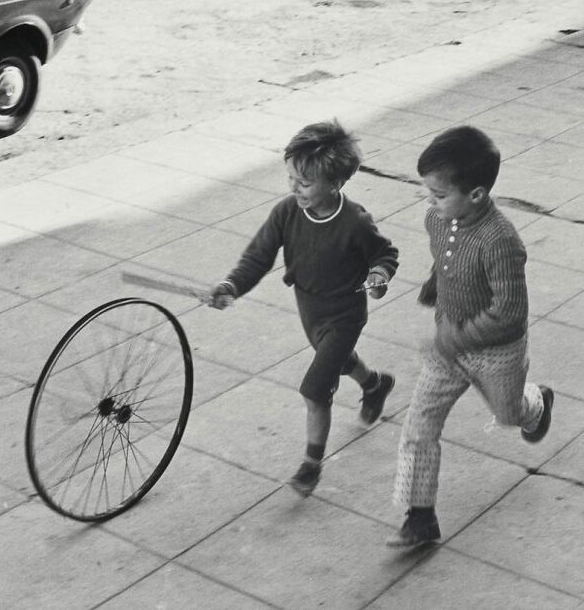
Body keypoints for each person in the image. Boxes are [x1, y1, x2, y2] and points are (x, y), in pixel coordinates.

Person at [209, 120, 399, 497]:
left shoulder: (354, 222)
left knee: (315, 388)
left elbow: (384, 254)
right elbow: (258, 257)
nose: (295, 188)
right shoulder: (287, 212)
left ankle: (311, 466)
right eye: (291, 178)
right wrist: (232, 285)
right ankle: (375, 384)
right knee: (340, 362)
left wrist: (379, 275)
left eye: (305, 183)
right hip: (309, 309)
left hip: (345, 313)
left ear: (336, 184)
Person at [388, 125, 554, 547]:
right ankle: (420, 516)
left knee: (508, 415)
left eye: (440, 194)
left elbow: (510, 314)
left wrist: (456, 338)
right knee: (419, 424)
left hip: (496, 351)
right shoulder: (437, 219)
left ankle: (536, 402)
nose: (431, 201)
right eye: (428, 191)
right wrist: (435, 284)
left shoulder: (501, 241)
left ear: (477, 194)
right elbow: (444, 260)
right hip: (448, 346)